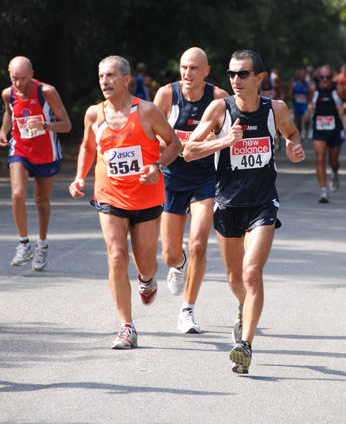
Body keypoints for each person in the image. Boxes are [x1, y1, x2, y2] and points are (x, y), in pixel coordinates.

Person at [183, 50, 305, 374]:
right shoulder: (219, 110)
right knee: (236, 279)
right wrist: (222, 142)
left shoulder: (275, 110)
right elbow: (189, 150)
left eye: (243, 74)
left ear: (259, 78)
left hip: (263, 203)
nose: (236, 80)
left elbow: (292, 133)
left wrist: (294, 146)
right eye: (232, 74)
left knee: (251, 273)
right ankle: (244, 307)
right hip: (227, 205)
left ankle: (245, 345)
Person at [69, 55, 180, 349]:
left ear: (127, 79)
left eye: (111, 76)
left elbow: (174, 144)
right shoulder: (94, 114)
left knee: (145, 263)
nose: (105, 81)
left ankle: (147, 279)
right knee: (117, 257)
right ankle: (126, 327)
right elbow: (87, 146)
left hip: (146, 197)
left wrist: (156, 166)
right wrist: (80, 177)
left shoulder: (147, 111)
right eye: (101, 76)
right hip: (109, 195)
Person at [153, 47, 228, 334]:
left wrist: (210, 143)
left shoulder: (219, 99)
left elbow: (229, 139)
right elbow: (150, 136)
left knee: (199, 243)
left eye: (194, 68)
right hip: (172, 178)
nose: (187, 73)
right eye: (184, 67)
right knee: (170, 255)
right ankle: (179, 262)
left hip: (206, 179)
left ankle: (187, 310)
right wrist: (181, 147)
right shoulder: (166, 95)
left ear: (206, 71)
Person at [0, 56, 71, 270]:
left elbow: (66, 125)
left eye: (23, 78)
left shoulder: (47, 92)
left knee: (41, 201)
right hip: (21, 149)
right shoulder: (8, 93)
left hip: (46, 152)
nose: (19, 84)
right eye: (14, 79)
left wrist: (44, 125)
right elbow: (9, 113)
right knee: (18, 194)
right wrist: (4, 130)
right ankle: (24, 243)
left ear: (32, 73)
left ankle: (42, 244)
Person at [309, 64, 346, 203]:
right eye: (322, 77)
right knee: (320, 158)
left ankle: (335, 172)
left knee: (333, 161)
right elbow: (310, 103)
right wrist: (309, 109)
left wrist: (345, 110)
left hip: (335, 130)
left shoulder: (339, 89)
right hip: (319, 128)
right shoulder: (313, 89)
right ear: (318, 76)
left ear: (332, 77)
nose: (325, 80)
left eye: (328, 77)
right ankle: (323, 192)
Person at [288, 68, 310, 139]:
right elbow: (289, 95)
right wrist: (294, 97)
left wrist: (309, 101)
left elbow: (310, 95)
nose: (303, 77)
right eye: (301, 75)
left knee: (307, 118)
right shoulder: (294, 84)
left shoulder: (307, 85)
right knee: (299, 122)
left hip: (304, 105)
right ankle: (299, 135)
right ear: (299, 76)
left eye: (304, 75)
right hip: (297, 106)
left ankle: (306, 131)